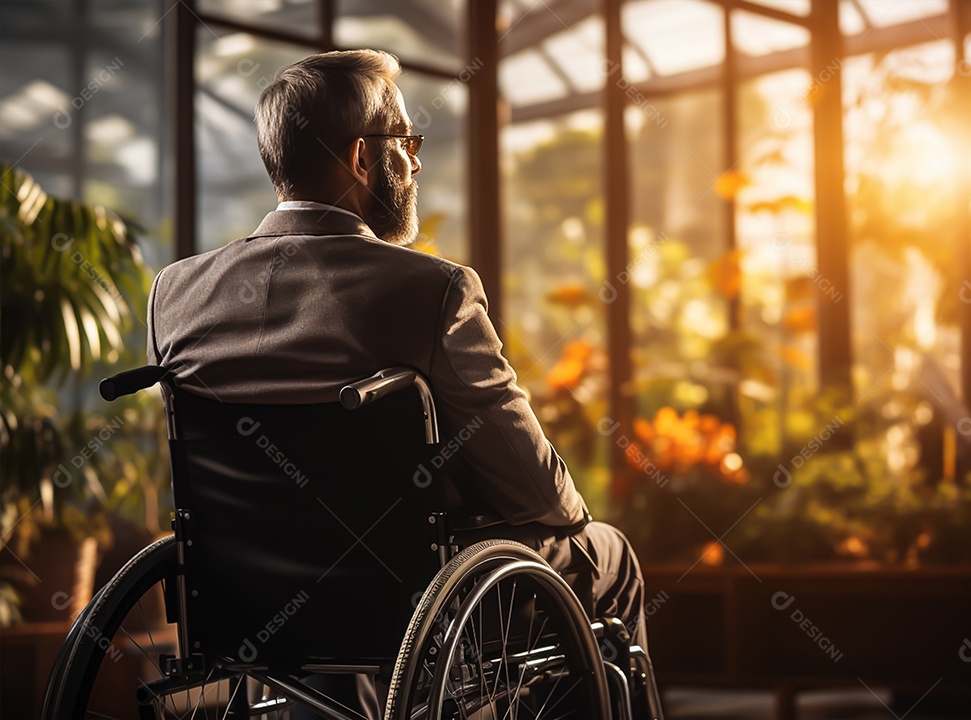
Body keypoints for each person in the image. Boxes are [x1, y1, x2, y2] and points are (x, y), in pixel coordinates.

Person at [147, 49, 647, 712]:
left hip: (242, 595)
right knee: (609, 556)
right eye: (405, 141)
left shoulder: (176, 293)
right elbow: (536, 495)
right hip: (412, 602)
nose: (414, 160)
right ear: (361, 159)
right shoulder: (430, 290)